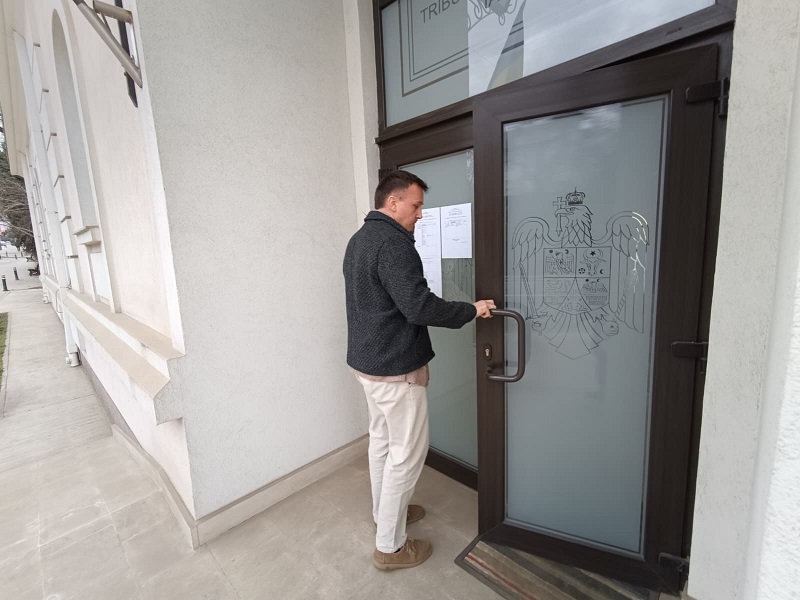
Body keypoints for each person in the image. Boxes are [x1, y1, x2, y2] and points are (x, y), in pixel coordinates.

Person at [343, 170, 495, 571]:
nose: (421, 214)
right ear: (393, 202)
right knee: (406, 456)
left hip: (367, 366)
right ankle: (390, 547)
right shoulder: (393, 244)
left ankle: (384, 515)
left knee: (382, 443)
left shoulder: (359, 239)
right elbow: (419, 307)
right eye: (417, 205)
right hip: (396, 369)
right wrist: (471, 310)